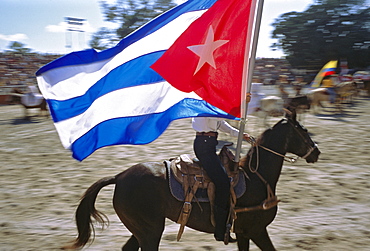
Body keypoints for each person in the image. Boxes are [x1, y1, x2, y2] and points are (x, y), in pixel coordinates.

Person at [192, 107, 253, 243]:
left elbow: (222, 124)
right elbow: (218, 117)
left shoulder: (212, 107)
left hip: (209, 144)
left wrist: (240, 134)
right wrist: (239, 108)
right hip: (204, 146)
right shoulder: (204, 104)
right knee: (223, 183)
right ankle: (220, 230)